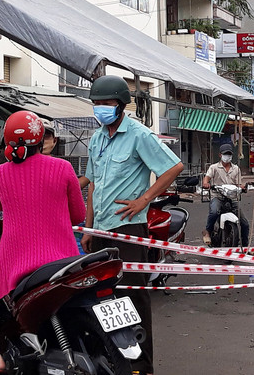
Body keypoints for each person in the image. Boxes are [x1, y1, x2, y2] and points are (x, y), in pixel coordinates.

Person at [80, 75, 183, 375]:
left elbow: (173, 166)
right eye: (96, 104)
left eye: (106, 103)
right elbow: (93, 185)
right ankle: (111, 361)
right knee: (103, 299)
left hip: (128, 230)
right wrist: (88, 227)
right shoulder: (97, 138)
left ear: (121, 105)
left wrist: (145, 200)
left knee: (133, 298)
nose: (100, 108)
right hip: (100, 231)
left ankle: (141, 367)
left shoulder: (139, 134)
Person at [0, 110, 85, 374]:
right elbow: (79, 215)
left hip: (15, 261)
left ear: (7, 141)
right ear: (41, 140)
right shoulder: (64, 167)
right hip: (63, 258)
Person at [202, 143, 250, 247]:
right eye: (225, 154)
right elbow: (207, 177)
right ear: (220, 155)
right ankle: (208, 232)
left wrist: (243, 187)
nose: (227, 156)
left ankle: (246, 246)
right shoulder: (214, 167)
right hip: (217, 196)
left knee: (245, 223)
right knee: (214, 212)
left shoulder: (236, 169)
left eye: (229, 154)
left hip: (232, 198)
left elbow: (238, 183)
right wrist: (206, 183)